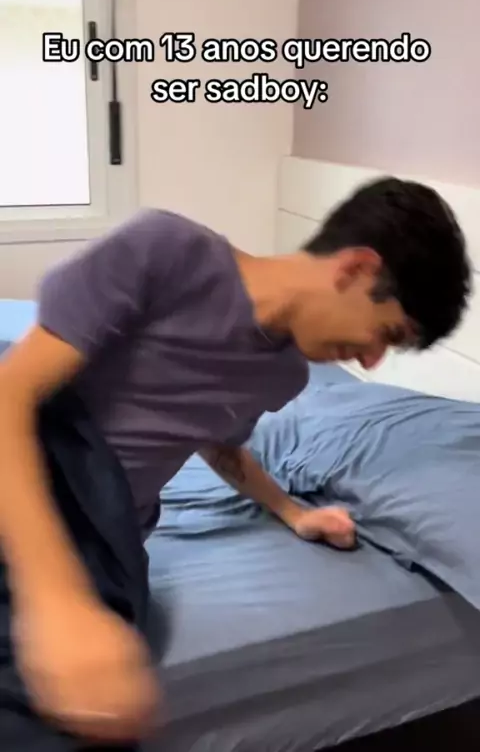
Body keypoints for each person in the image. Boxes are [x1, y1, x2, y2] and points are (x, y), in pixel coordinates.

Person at [0, 176, 471, 743]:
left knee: (87, 703)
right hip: (44, 464)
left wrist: (293, 512)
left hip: (108, 532)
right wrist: (55, 601)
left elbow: (217, 442)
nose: (372, 361)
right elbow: (11, 395)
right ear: (356, 270)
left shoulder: (284, 374)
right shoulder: (166, 250)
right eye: (387, 333)